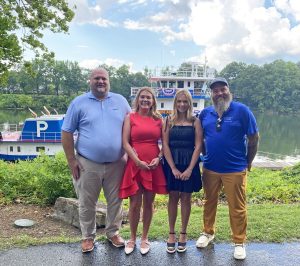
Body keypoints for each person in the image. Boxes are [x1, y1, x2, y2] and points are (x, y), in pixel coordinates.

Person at [61, 68, 131, 253]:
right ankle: (87, 237)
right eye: (97, 78)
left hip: (117, 163)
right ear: (90, 81)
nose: (101, 81)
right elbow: (66, 132)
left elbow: (131, 127)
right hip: (87, 163)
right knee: (86, 202)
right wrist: (71, 160)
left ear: (109, 81)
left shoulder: (121, 101)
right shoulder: (78, 103)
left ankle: (113, 233)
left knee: (116, 201)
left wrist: (129, 155)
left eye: (104, 79)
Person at [196, 77, 259, 260]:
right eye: (215, 91)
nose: (219, 93)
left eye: (222, 89)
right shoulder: (206, 114)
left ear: (229, 90)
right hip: (210, 168)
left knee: (237, 207)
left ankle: (239, 242)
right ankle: (208, 232)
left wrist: (248, 161)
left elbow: (254, 138)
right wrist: (206, 155)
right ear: (212, 95)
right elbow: (201, 140)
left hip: (235, 168)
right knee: (209, 202)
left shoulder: (242, 111)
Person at [119, 87, 168, 255]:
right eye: (142, 97)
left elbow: (164, 143)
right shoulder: (130, 117)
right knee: (134, 204)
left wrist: (159, 157)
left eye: (148, 97)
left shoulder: (158, 118)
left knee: (148, 203)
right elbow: (125, 142)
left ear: (153, 100)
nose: (145, 100)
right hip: (135, 165)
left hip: (153, 166)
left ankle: (144, 238)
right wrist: (137, 161)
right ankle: (132, 238)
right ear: (137, 99)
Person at [162, 89, 203, 253]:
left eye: (185, 101)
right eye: (179, 101)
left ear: (189, 103)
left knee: (186, 198)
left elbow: (198, 146)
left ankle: (183, 234)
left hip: (189, 163)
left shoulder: (195, 122)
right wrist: (172, 167)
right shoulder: (168, 121)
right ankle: (171, 233)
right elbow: (165, 145)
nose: (182, 104)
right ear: (175, 103)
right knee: (172, 198)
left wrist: (190, 169)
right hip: (172, 163)